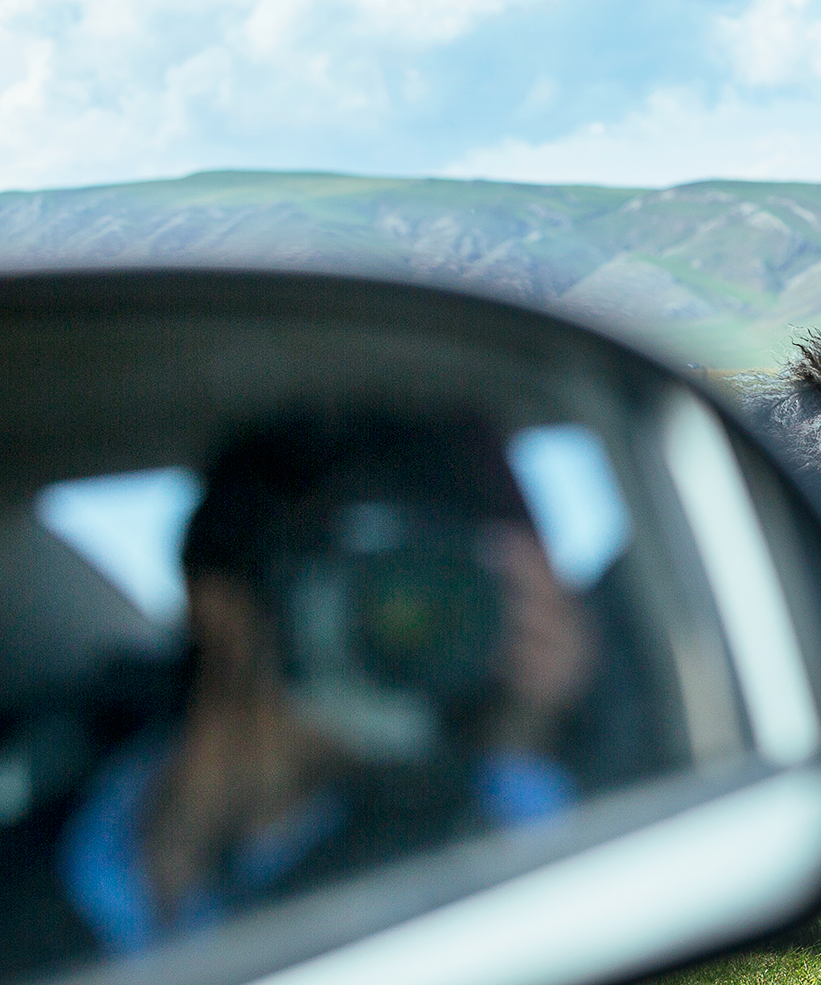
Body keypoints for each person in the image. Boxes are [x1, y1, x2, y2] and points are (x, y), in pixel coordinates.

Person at [54, 409, 597, 957]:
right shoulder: (42, 840)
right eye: (372, 589)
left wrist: (523, 724)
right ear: (221, 613)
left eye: (436, 602)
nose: (402, 634)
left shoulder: (469, 829)